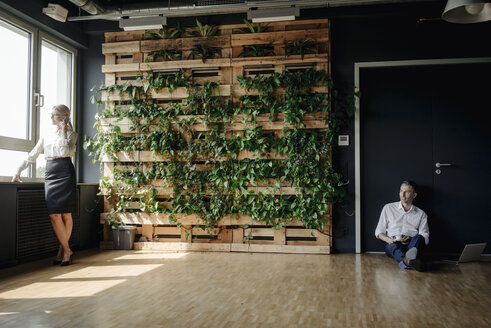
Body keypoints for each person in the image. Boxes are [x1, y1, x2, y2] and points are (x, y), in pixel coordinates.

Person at [12, 104, 78, 266]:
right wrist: (18, 171)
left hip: (65, 171)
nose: (50, 118)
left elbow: (65, 151)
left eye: (53, 115)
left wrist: (63, 131)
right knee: (54, 214)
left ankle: (63, 251)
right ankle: (67, 249)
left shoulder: (72, 134)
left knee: (66, 214)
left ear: (62, 117)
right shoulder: (47, 134)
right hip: (51, 172)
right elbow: (33, 153)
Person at [375, 180, 429, 271]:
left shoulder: (421, 214)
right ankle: (412, 261)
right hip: (393, 243)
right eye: (401, 191)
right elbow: (379, 231)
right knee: (391, 246)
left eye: (407, 192)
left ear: (414, 195)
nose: (402, 195)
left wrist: (411, 239)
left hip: (412, 245)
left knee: (419, 237)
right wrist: (388, 239)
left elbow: (425, 237)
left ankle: (407, 262)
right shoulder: (388, 208)